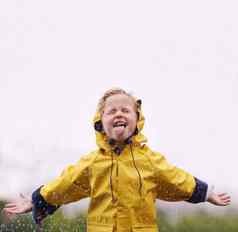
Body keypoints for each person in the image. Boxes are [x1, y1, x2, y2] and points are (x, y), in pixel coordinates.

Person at [2, 88, 231, 232]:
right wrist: (37, 200)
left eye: (125, 110)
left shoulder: (150, 161)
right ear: (100, 123)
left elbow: (177, 179)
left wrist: (207, 193)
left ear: (137, 120)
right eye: (111, 111)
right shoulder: (92, 164)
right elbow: (65, 184)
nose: (119, 114)